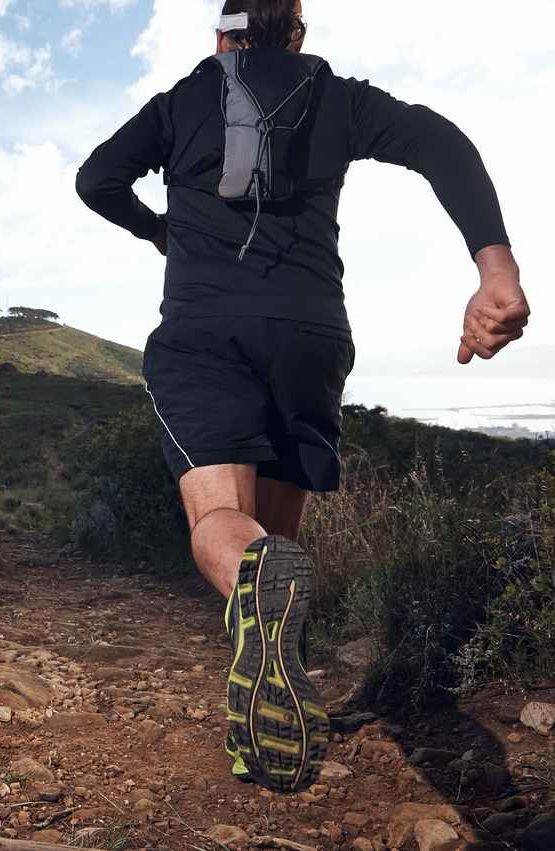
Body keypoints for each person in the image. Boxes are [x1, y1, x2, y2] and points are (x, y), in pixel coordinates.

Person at [75, 0, 530, 794]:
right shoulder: (339, 96)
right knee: (275, 545)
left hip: (205, 333)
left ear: (222, 38)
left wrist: (157, 229)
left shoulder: (181, 99)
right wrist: (496, 270)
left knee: (230, 530)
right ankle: (263, 716)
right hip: (311, 336)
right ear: (298, 34)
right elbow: (441, 144)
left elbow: (95, 178)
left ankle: (259, 681)